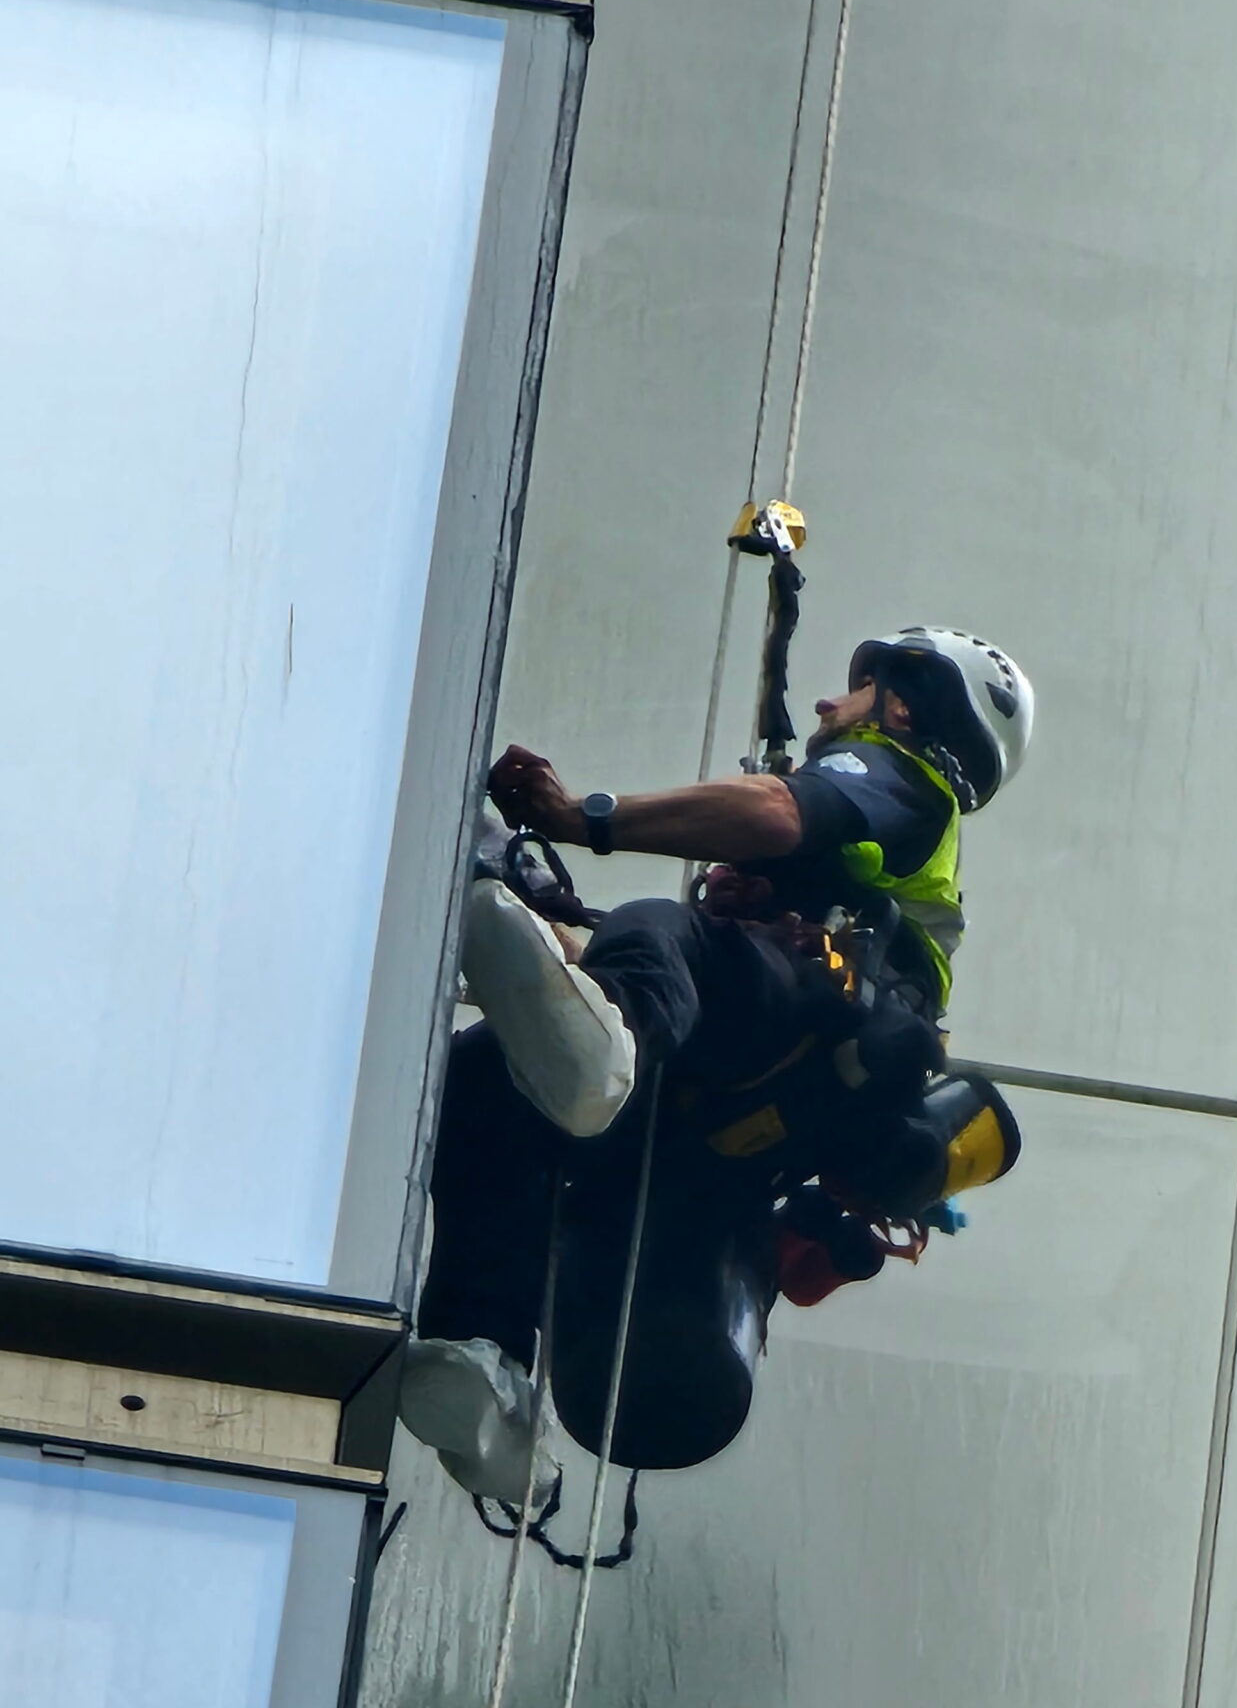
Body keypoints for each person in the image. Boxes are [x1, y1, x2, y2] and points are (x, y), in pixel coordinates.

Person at [399, 627, 1035, 1497]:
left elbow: (775, 813)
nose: (827, 705)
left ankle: (604, 1050)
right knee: (486, 1080)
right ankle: (487, 1376)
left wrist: (581, 817)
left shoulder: (904, 777)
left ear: (903, 705)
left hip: (799, 1024)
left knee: (659, 930)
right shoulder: (887, 847)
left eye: (856, 691)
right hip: (733, 1125)